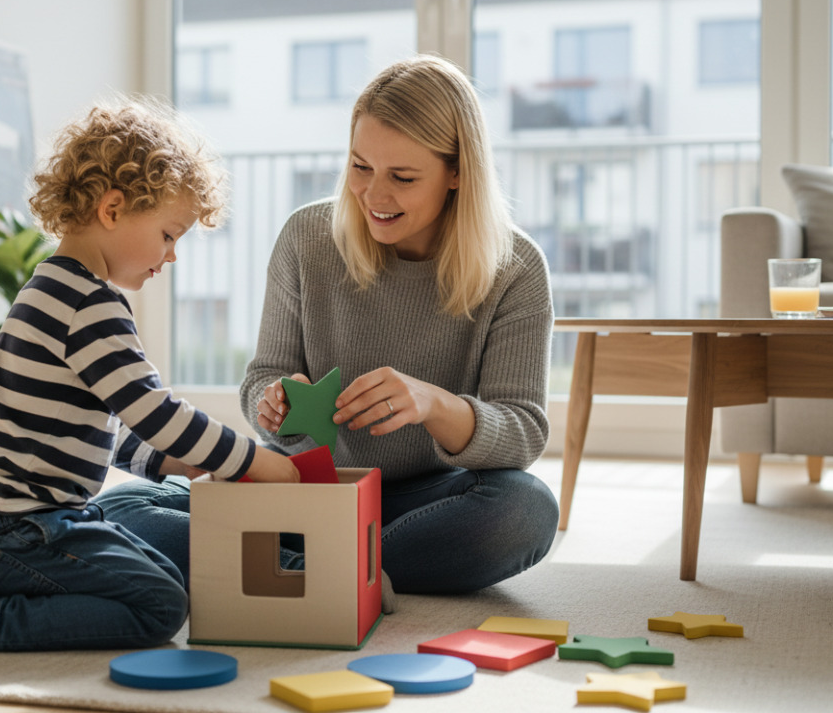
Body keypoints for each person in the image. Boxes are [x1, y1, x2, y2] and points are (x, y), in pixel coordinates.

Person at [95, 54, 558, 598]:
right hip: (305, 488)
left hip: (427, 498)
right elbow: (264, 378)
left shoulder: (516, 268)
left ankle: (285, 569)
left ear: (458, 173)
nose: (374, 196)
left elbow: (523, 430)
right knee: (118, 508)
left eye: (403, 178)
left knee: (525, 510)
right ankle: (346, 574)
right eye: (360, 167)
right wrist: (273, 405)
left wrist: (433, 403)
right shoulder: (307, 237)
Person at [0, 99, 299, 652]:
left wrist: (169, 462)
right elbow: (155, 412)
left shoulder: (53, 287)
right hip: (11, 529)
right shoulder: (89, 305)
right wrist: (257, 460)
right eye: (168, 234)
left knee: (152, 568)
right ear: (113, 209)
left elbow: (100, 434)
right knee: (162, 604)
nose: (172, 256)